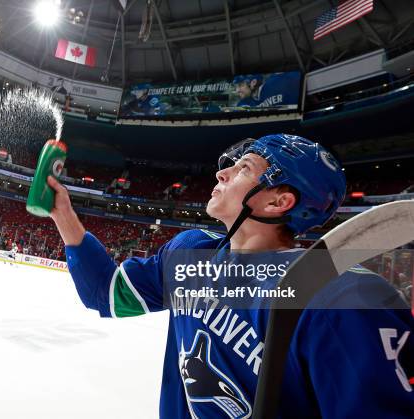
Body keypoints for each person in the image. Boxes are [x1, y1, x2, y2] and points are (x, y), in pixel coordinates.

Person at [46, 134, 414, 418]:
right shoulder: (191, 254)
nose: (221, 172)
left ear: (277, 202)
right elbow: (105, 292)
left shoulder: (340, 299)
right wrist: (62, 212)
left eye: (244, 169)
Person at [232, 73, 300, 109]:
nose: (237, 90)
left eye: (241, 85)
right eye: (236, 87)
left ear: (253, 82)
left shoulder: (275, 84)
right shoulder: (243, 103)